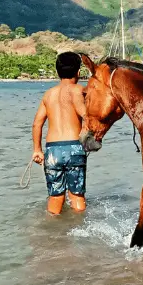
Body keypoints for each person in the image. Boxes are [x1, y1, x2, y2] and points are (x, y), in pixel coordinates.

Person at [32, 51, 88, 215]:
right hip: (74, 147)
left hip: (52, 150)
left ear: (57, 72)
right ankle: (81, 230)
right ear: (78, 72)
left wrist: (37, 149)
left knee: (55, 197)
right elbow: (85, 115)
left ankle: (53, 234)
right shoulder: (79, 90)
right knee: (77, 196)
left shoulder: (48, 94)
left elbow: (37, 123)